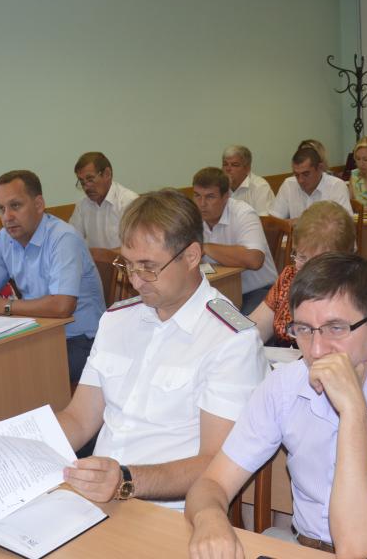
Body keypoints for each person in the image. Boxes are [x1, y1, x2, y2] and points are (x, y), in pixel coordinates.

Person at [186, 253, 367, 559]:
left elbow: (355, 547)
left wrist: (353, 412)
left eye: (335, 328)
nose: (316, 349)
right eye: (304, 329)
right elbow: (212, 483)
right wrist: (210, 519)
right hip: (303, 548)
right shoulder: (284, 385)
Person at [55, 189, 265, 508]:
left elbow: (216, 462)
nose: (136, 281)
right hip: (98, 498)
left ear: (191, 256)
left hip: (170, 511)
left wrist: (126, 480)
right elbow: (79, 419)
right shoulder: (116, 320)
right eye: (128, 265)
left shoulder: (231, 338)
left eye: (148, 266)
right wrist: (25, 448)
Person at [0, 170, 105, 385]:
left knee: (11, 374)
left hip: (81, 342)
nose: (7, 217)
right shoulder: (5, 238)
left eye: (15, 206)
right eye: (1, 208)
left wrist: (6, 306)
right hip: (39, 334)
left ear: (38, 204)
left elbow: (62, 306)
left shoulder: (63, 238)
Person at [250, 201, 356, 346]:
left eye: (314, 261)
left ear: (340, 260)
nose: (302, 268)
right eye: (301, 256)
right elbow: (255, 330)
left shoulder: (351, 293)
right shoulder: (289, 277)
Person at [192, 167, 277, 314]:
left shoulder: (243, 213)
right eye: (197, 196)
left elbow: (255, 260)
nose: (202, 203)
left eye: (210, 197)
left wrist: (206, 247)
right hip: (218, 291)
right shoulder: (193, 217)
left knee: (242, 325)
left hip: (259, 290)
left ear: (226, 196)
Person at [69, 152, 139, 250]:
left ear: (107, 174)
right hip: (94, 260)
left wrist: (103, 256)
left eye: (90, 179)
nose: (86, 187)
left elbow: (136, 247)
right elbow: (71, 240)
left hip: (122, 260)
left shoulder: (128, 201)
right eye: (82, 181)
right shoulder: (82, 205)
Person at [270, 147, 352, 220]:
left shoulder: (336, 186)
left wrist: (302, 224)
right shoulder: (289, 184)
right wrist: (288, 224)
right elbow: (273, 221)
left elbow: (345, 224)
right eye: (296, 175)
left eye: (306, 174)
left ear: (320, 168)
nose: (300, 180)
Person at [221, 145, 275, 216]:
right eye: (225, 164)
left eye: (234, 165)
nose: (228, 169)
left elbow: (264, 220)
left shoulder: (260, 187)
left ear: (247, 168)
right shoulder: (218, 186)